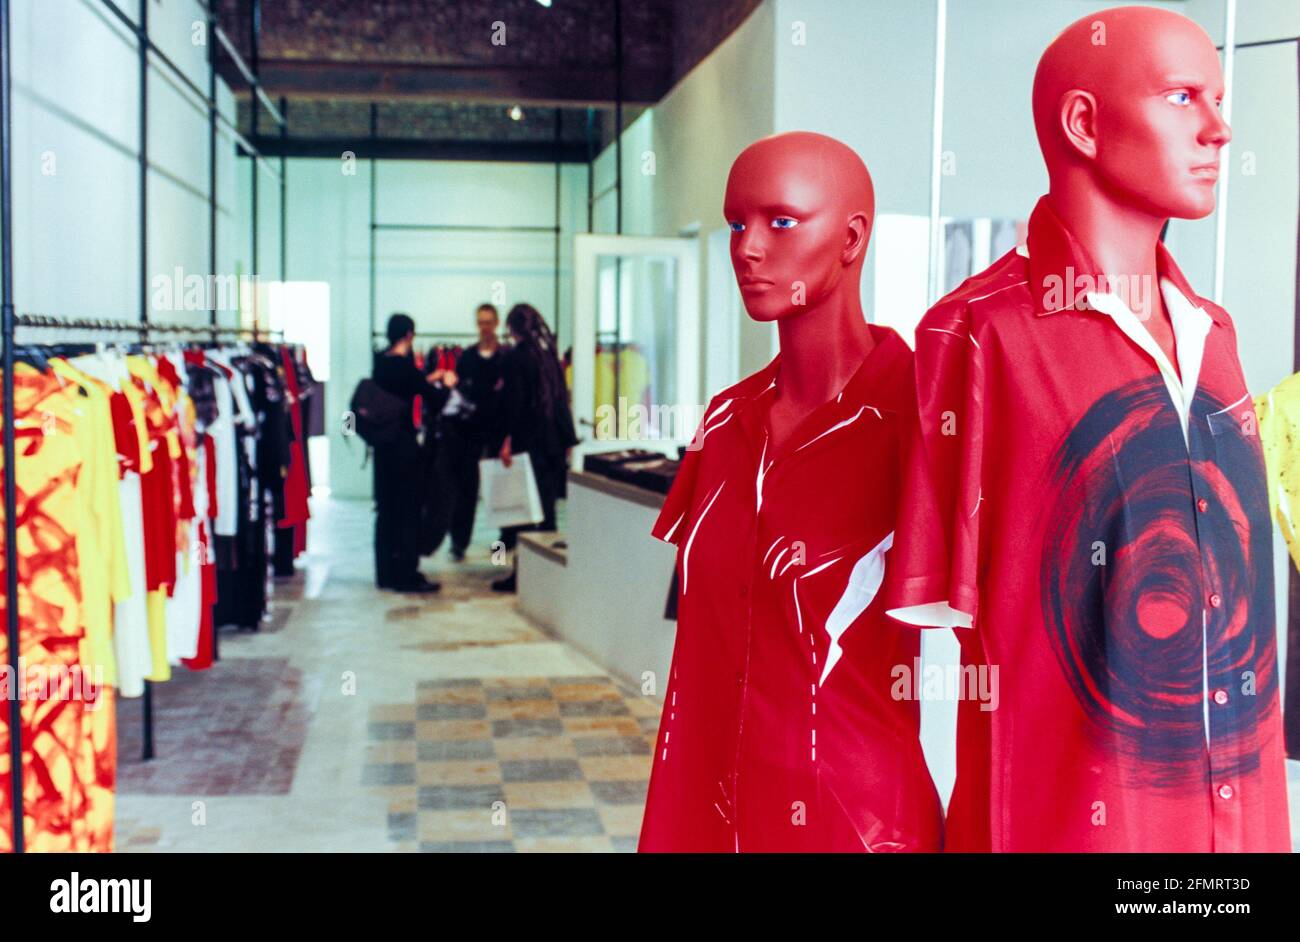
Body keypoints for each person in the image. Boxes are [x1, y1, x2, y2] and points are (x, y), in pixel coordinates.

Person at [884, 7, 1290, 851]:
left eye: (1218, 100)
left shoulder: (1216, 336)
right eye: (1184, 97)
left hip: (1237, 823)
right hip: (1065, 823)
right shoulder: (977, 335)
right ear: (1084, 123)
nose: (1220, 130)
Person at [638, 133, 941, 852]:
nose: (746, 248)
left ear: (851, 237)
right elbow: (698, 650)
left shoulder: (924, 419)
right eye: (737, 223)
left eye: (779, 221)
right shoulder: (724, 421)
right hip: (712, 806)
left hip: (855, 819)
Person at [491, 303, 579, 593]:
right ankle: (543, 577)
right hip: (551, 445)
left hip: (528, 444)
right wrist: (568, 440)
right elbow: (560, 401)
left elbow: (513, 406)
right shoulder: (548, 356)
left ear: (512, 328)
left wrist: (507, 441)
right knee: (546, 511)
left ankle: (521, 576)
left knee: (520, 513)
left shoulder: (515, 358)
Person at [371, 312, 455, 593]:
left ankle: (385, 573)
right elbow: (433, 397)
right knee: (408, 510)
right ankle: (406, 573)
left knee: (385, 511)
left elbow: (404, 388)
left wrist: (426, 377)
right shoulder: (405, 367)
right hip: (404, 449)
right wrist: (448, 385)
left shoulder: (380, 363)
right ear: (409, 335)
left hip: (382, 448)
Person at [440, 303, 506, 561]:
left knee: (501, 486)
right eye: (480, 321)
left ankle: (505, 540)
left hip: (498, 433)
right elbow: (458, 393)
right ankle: (459, 541)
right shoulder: (467, 357)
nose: (484, 326)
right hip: (469, 434)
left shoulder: (505, 357)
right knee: (466, 489)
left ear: (496, 323)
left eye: (488, 321)